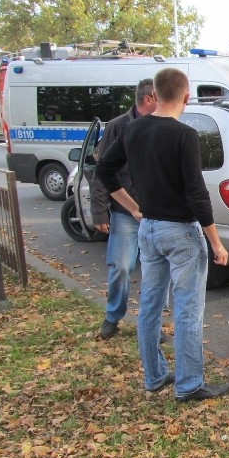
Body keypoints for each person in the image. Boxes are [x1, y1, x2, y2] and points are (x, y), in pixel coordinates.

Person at [95, 67, 229, 401]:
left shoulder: (132, 130)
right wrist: (216, 241)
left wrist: (132, 207)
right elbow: (196, 193)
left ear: (154, 95)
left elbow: (102, 169)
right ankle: (188, 385)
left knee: (150, 306)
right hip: (181, 234)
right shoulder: (185, 136)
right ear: (186, 96)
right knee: (186, 310)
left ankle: (155, 377)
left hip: (149, 230)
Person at [93, 79, 158, 340]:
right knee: (121, 266)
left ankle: (150, 324)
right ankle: (113, 316)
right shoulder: (119, 126)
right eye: (160, 97)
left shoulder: (160, 125)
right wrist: (99, 211)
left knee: (155, 273)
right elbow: (103, 170)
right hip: (125, 212)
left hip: (155, 212)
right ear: (149, 99)